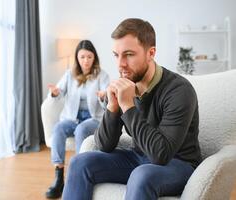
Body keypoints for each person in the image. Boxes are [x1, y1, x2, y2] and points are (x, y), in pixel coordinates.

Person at [62, 18, 202, 200]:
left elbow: (161, 154)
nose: (120, 64)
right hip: (139, 157)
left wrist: (127, 106)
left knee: (142, 175)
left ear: (151, 53)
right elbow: (104, 145)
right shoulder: (126, 85)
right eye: (116, 55)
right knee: (79, 162)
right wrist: (113, 108)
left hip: (178, 164)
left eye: (128, 54)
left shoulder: (179, 90)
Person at [45, 40, 110, 199]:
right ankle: (59, 177)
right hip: (72, 117)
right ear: (77, 58)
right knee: (59, 128)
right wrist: (54, 93)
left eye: (89, 57)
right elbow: (58, 92)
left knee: (81, 130)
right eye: (82, 57)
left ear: (94, 57)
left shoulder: (102, 75)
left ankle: (78, 174)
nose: (86, 61)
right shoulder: (69, 74)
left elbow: (108, 100)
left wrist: (104, 96)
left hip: (93, 118)